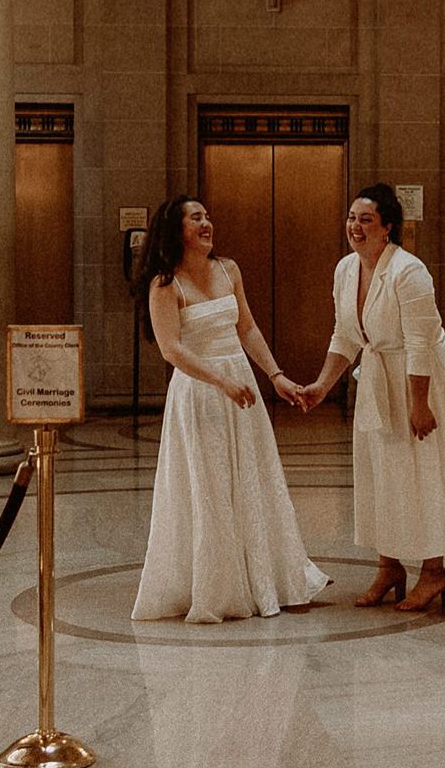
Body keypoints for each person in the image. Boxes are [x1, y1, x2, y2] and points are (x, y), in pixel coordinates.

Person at [283, 184, 445, 612]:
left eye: (366, 220)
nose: (355, 227)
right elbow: (345, 335)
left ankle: (433, 572)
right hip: (378, 380)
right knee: (382, 472)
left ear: (388, 227)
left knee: (423, 474)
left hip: (421, 378)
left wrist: (420, 404)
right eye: (352, 218)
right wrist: (322, 386)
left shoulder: (409, 271)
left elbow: (419, 342)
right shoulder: (345, 270)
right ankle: (389, 565)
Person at [131, 195, 330, 624]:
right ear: (176, 229)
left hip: (241, 386)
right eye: (195, 218)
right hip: (201, 393)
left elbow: (247, 327)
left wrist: (276, 376)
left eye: (207, 216)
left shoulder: (229, 269)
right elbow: (171, 349)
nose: (207, 223)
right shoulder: (165, 284)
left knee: (251, 479)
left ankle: (267, 576)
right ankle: (218, 587)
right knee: (211, 486)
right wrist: (220, 380)